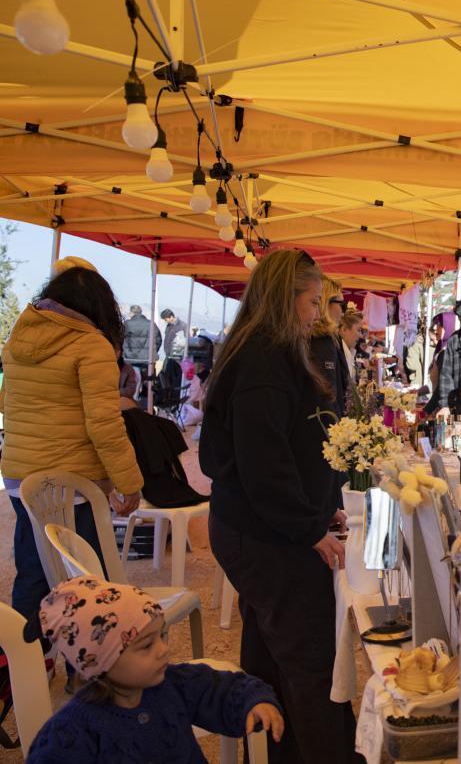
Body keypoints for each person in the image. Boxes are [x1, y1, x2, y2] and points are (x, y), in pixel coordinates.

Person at [200, 249, 359, 763]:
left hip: (263, 526)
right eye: (312, 302)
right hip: (263, 533)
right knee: (310, 657)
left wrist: (319, 508)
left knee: (271, 652)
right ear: (284, 300)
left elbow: (288, 447)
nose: (317, 314)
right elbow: (264, 464)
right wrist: (308, 527)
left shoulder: (268, 352)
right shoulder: (263, 361)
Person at [0, 265, 143, 641]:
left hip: (19, 476)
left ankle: (26, 658)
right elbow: (105, 425)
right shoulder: (91, 345)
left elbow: (6, 403)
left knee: (33, 567)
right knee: (86, 576)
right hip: (72, 482)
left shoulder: (18, 338)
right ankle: (91, 660)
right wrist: (130, 483)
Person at [28, 576, 283, 763]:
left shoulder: (174, 683)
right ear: (102, 661)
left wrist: (252, 700)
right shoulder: (71, 732)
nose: (163, 650)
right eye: (146, 645)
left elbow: (217, 688)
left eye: (161, 636)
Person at [308, 277, 349, 418]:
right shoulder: (322, 341)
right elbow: (328, 395)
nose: (344, 312)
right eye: (342, 305)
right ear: (327, 303)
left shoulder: (327, 338)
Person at [122, 304, 161, 393]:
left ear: (131, 313)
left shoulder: (127, 324)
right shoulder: (151, 324)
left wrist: (125, 352)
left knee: (131, 385)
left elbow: (120, 339)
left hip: (130, 359)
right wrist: (152, 352)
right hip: (147, 360)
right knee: (148, 386)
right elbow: (158, 340)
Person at [402, 319, 429, 389]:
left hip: (417, 383)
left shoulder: (414, 342)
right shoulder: (423, 340)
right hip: (424, 382)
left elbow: (412, 365)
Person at [339, 309, 364, 383]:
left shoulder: (348, 352)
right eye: (358, 330)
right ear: (344, 329)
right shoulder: (337, 354)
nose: (361, 336)